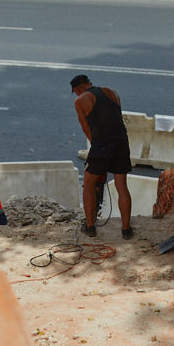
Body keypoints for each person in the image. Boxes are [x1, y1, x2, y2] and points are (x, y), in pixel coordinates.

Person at [70, 74, 133, 239]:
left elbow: (86, 128)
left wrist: (97, 149)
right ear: (89, 83)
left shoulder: (80, 100)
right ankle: (126, 230)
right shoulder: (111, 92)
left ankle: (90, 227)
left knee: (88, 184)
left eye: (76, 92)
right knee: (122, 186)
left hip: (102, 144)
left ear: (77, 89)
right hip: (121, 142)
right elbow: (116, 116)